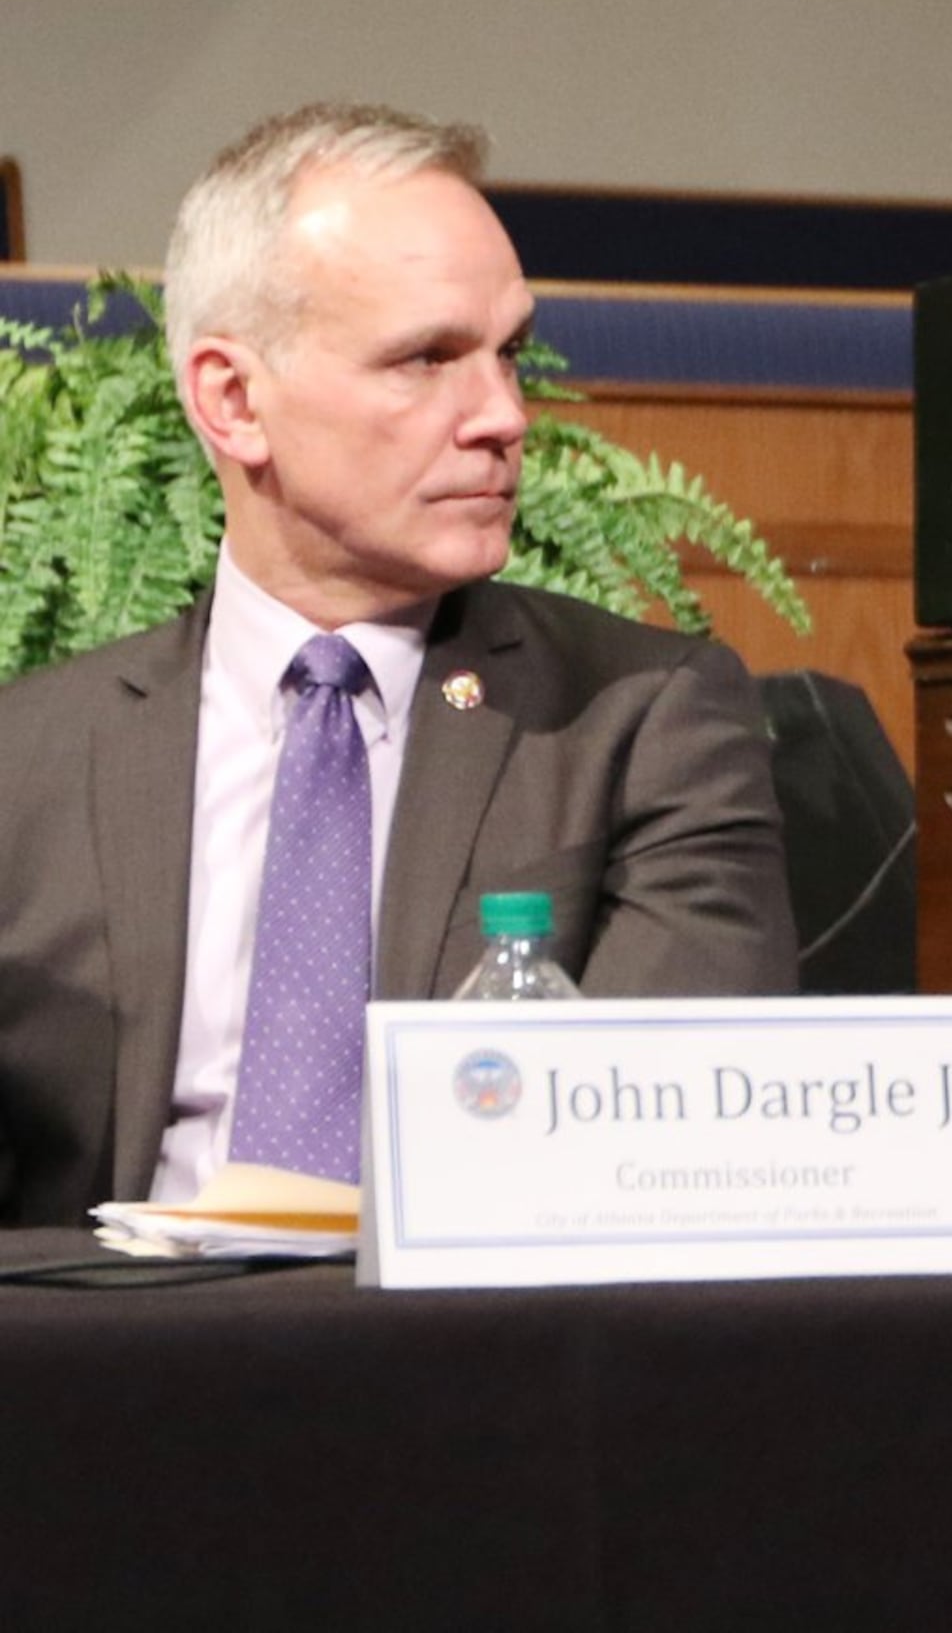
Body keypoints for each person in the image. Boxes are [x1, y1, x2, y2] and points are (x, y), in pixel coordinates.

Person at [0, 103, 798, 1223]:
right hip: (111, 1364)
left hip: (471, 1364)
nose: (504, 416)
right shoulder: (24, 762)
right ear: (233, 401)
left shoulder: (642, 722)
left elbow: (665, 1165)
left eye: (508, 353)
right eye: (427, 359)